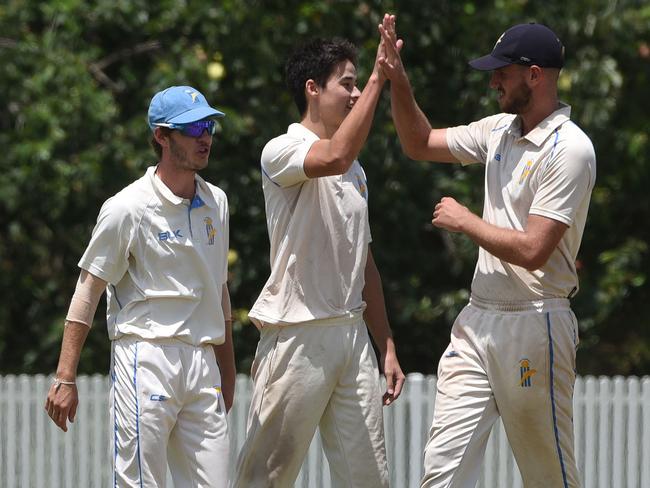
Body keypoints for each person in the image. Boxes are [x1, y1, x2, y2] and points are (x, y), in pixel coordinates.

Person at [379, 18, 595, 488]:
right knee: (443, 470)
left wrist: (466, 222)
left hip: (537, 322)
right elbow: (419, 143)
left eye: (503, 71)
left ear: (534, 75)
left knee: (547, 476)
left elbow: (536, 250)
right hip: (479, 319)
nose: (493, 80)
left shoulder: (571, 148)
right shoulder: (499, 129)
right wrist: (400, 82)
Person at [233, 25, 406, 488]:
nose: (353, 94)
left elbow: (363, 262)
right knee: (265, 478)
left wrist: (385, 342)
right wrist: (377, 78)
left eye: (356, 83)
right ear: (313, 89)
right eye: (345, 84)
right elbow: (333, 157)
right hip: (297, 335)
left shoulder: (358, 173)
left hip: (352, 336)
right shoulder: (282, 150)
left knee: (370, 480)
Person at [45, 85, 235, 487]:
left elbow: (219, 291)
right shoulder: (127, 207)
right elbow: (88, 289)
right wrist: (65, 377)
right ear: (162, 136)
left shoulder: (217, 202)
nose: (205, 137)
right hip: (146, 358)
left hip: (202, 365)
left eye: (209, 127)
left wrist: (227, 372)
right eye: (194, 127)